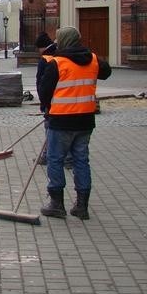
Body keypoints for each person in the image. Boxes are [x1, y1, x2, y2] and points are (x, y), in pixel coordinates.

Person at [38, 26, 111, 220]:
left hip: (61, 121)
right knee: (81, 160)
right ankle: (82, 206)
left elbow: (44, 92)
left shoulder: (57, 63)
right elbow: (106, 72)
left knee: (55, 160)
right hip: (85, 121)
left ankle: (57, 204)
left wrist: (47, 109)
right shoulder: (93, 60)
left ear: (62, 41)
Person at [34, 32, 56, 166]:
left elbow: (42, 85)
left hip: (53, 102)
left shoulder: (45, 59)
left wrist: (44, 104)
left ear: (42, 47)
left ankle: (47, 156)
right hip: (65, 102)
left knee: (50, 129)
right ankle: (69, 159)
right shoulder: (60, 54)